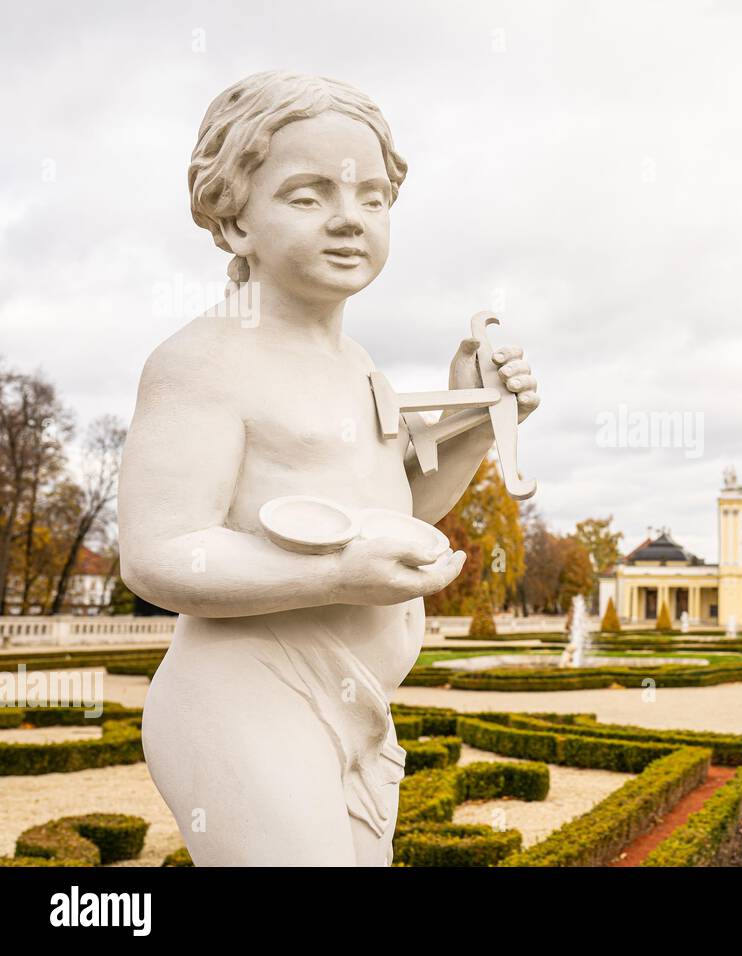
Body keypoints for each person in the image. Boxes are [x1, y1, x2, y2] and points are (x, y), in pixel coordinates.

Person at [119, 72, 540, 865]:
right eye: (309, 196)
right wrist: (340, 573)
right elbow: (159, 551)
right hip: (246, 698)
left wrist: (475, 424)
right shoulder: (203, 363)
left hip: (353, 702)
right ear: (233, 218)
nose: (351, 219)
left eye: (374, 198)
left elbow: (399, 512)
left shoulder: (359, 366)